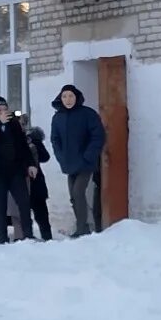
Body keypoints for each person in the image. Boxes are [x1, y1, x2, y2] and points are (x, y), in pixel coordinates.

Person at [50, 84, 108, 236]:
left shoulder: (87, 114)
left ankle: (83, 228)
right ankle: (83, 226)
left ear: (76, 97)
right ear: (60, 99)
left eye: (71, 96)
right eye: (64, 97)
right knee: (73, 197)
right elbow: (55, 140)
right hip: (69, 163)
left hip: (85, 162)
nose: (68, 100)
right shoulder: (58, 117)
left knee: (78, 192)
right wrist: (61, 157)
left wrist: (89, 155)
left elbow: (98, 136)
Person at [0, 94, 35, 242]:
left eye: (5, 108)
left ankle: (27, 234)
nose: (2, 111)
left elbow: (22, 145)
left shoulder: (14, 123)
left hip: (15, 170)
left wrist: (31, 164)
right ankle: (2, 238)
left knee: (23, 201)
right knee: (0, 205)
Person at [23, 115, 55, 242]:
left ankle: (47, 236)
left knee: (40, 210)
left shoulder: (33, 139)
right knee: (23, 210)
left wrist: (36, 142)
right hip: (18, 179)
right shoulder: (10, 138)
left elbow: (45, 157)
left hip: (36, 180)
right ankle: (26, 235)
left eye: (23, 123)